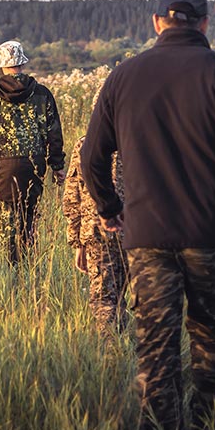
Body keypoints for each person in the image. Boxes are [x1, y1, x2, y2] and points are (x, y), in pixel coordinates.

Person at [81, 0, 215, 430]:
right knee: (211, 336)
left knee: (155, 346)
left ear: (156, 23)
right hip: (212, 233)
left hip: (146, 234)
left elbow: (92, 158)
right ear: (205, 24)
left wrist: (110, 209)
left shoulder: (124, 77)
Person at [0, 40, 66, 264]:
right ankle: (30, 273)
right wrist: (57, 166)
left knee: (7, 231)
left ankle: (11, 275)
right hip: (33, 167)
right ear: (22, 63)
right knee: (29, 225)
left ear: (2, 65)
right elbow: (53, 133)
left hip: (1, 169)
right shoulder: (42, 93)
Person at [62, 135, 128, 336]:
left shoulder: (85, 144)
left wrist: (77, 242)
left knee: (104, 298)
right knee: (141, 296)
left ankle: (109, 348)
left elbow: (73, 197)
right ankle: (126, 346)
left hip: (96, 231)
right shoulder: (141, 140)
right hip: (136, 230)